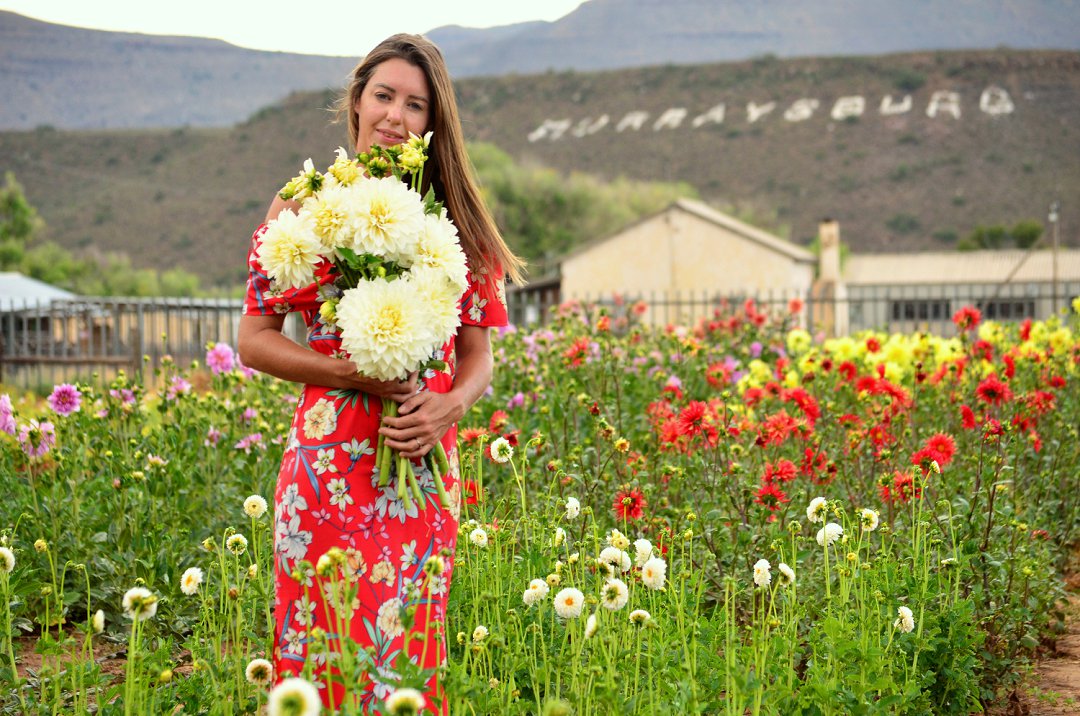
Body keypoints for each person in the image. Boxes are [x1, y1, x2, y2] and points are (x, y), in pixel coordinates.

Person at [237, 33, 524, 713]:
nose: (396, 114)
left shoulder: (451, 219)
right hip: (327, 469)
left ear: (433, 122)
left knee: (408, 664)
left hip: (419, 463)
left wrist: (450, 406)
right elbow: (254, 340)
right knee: (318, 652)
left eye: (415, 104)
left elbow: (479, 355)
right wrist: (350, 372)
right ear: (358, 103)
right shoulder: (303, 209)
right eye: (384, 95)